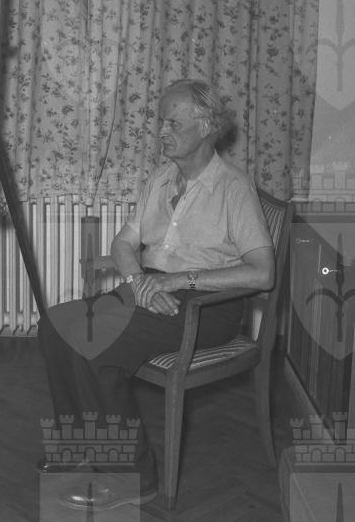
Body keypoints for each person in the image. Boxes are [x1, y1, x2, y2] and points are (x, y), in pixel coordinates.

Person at [37, 79, 274, 511]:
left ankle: (131, 478)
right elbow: (123, 244)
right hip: (149, 290)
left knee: (95, 346)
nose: (161, 131)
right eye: (160, 122)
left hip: (207, 306)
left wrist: (179, 281)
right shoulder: (162, 178)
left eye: (173, 123)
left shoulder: (233, 188)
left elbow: (262, 273)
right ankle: (79, 445)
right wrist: (138, 282)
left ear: (206, 127)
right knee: (55, 325)